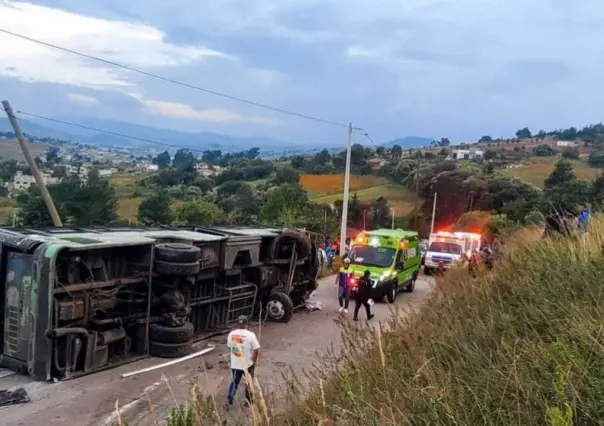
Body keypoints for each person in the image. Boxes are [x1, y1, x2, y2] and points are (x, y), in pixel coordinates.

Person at [226, 315, 260, 408]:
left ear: (237, 324)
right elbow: (256, 350)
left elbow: (230, 346)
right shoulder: (251, 335)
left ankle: (229, 401)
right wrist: (253, 360)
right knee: (248, 382)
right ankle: (248, 401)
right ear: (247, 324)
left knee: (234, 382)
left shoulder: (231, 334)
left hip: (235, 364)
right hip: (247, 364)